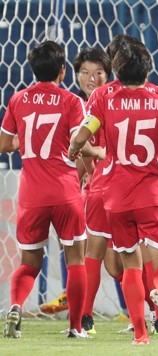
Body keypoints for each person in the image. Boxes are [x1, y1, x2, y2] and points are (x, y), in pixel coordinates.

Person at [69, 41, 158, 345]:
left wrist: (76, 148)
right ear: (148, 70)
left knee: (128, 265)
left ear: (117, 70)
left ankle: (140, 335)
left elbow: (80, 137)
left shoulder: (103, 97)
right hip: (152, 194)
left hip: (116, 196)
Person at [0, 41, 100, 338]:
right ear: (62, 70)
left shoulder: (18, 99)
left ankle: (16, 306)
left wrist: (23, 143)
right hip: (66, 191)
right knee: (76, 260)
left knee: (29, 263)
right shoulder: (71, 101)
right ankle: (76, 327)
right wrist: (93, 169)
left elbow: (4, 144)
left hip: (32, 194)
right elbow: (78, 144)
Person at [38, 47, 119, 318]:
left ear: (109, 75)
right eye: (84, 72)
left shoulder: (113, 103)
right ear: (74, 75)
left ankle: (139, 303)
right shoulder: (76, 105)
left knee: (115, 256)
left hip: (117, 187)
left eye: (98, 72)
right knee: (73, 239)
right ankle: (75, 299)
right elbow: (78, 155)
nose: (91, 78)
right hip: (92, 187)